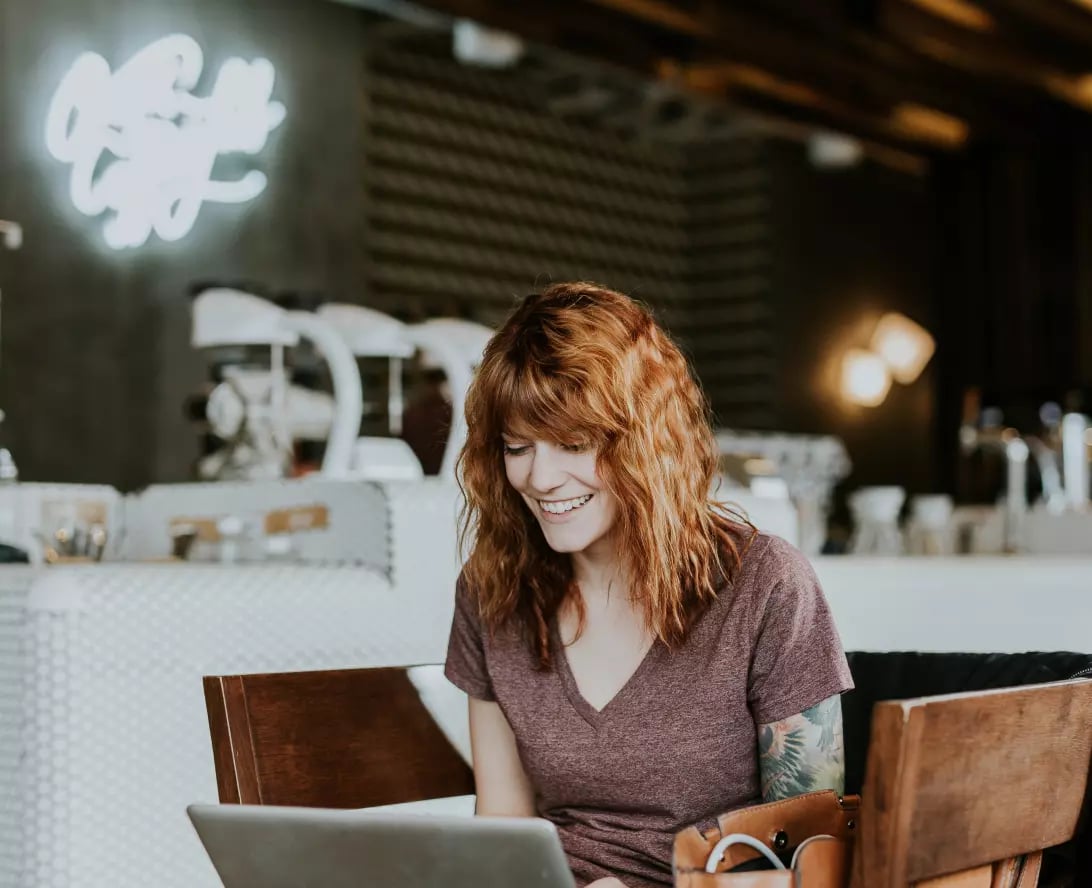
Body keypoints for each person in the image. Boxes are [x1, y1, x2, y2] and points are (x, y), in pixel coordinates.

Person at [445, 282, 854, 888]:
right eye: (517, 447)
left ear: (645, 443)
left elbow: (816, 861)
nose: (540, 477)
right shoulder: (491, 592)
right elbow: (502, 836)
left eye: (575, 444)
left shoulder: (765, 586)